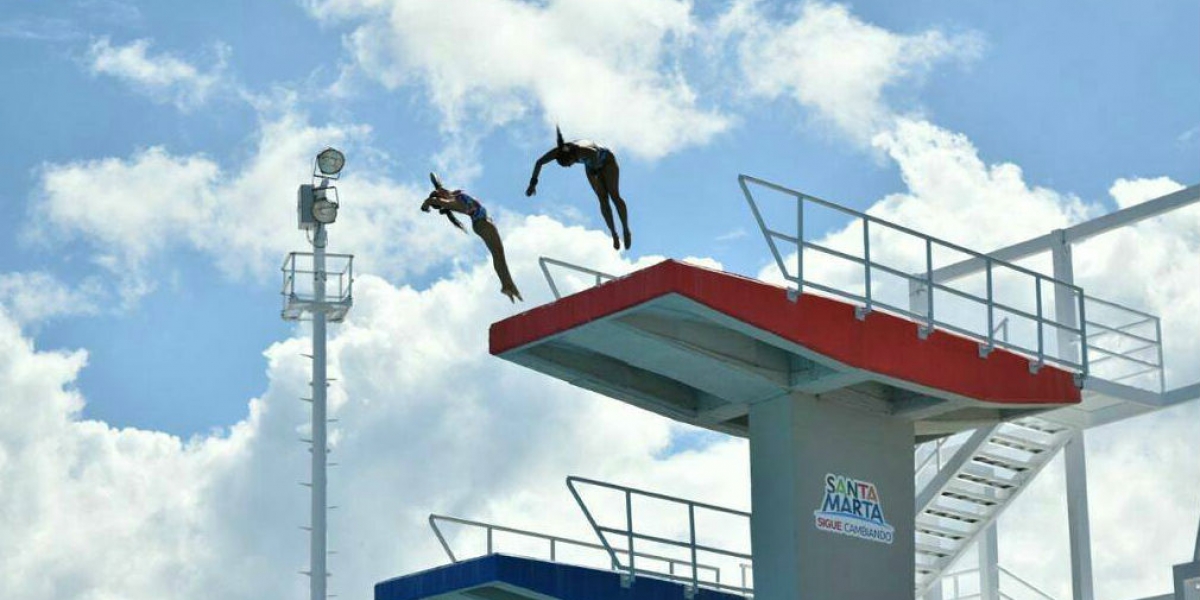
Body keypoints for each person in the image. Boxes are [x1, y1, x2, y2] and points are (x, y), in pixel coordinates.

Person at [525, 126, 631, 251]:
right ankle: (614, 233)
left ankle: (625, 229)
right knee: (602, 200)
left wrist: (598, 174)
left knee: (614, 195)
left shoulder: (582, 151)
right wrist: (533, 183)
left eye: (569, 164)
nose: (570, 167)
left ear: (572, 157)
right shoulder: (557, 152)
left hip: (606, 161)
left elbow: (595, 154)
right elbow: (539, 163)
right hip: (590, 166)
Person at [422, 173, 523, 303]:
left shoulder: (451, 195)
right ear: (439, 198)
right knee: (498, 255)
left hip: (485, 223)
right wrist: (425, 206)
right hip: (482, 224)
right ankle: (507, 285)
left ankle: (508, 285)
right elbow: (431, 201)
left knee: (499, 255)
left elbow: (438, 184)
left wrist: (438, 186)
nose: (437, 191)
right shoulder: (448, 202)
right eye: (436, 192)